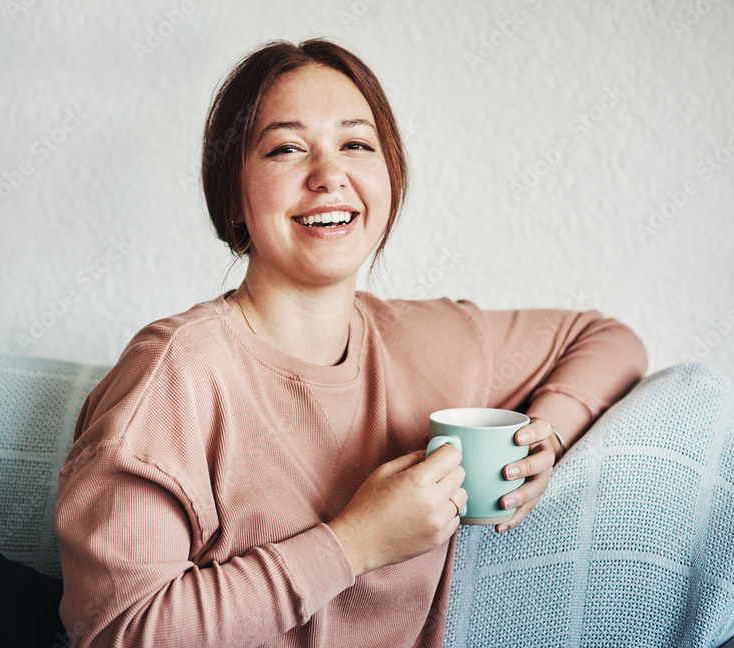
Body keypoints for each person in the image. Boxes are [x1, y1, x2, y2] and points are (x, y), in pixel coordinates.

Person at [54, 38, 647, 647]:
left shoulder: (433, 341)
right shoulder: (177, 373)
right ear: (233, 196)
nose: (329, 175)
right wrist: (354, 543)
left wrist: (539, 440)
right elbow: (119, 632)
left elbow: (606, 339)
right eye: (286, 149)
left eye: (357, 145)